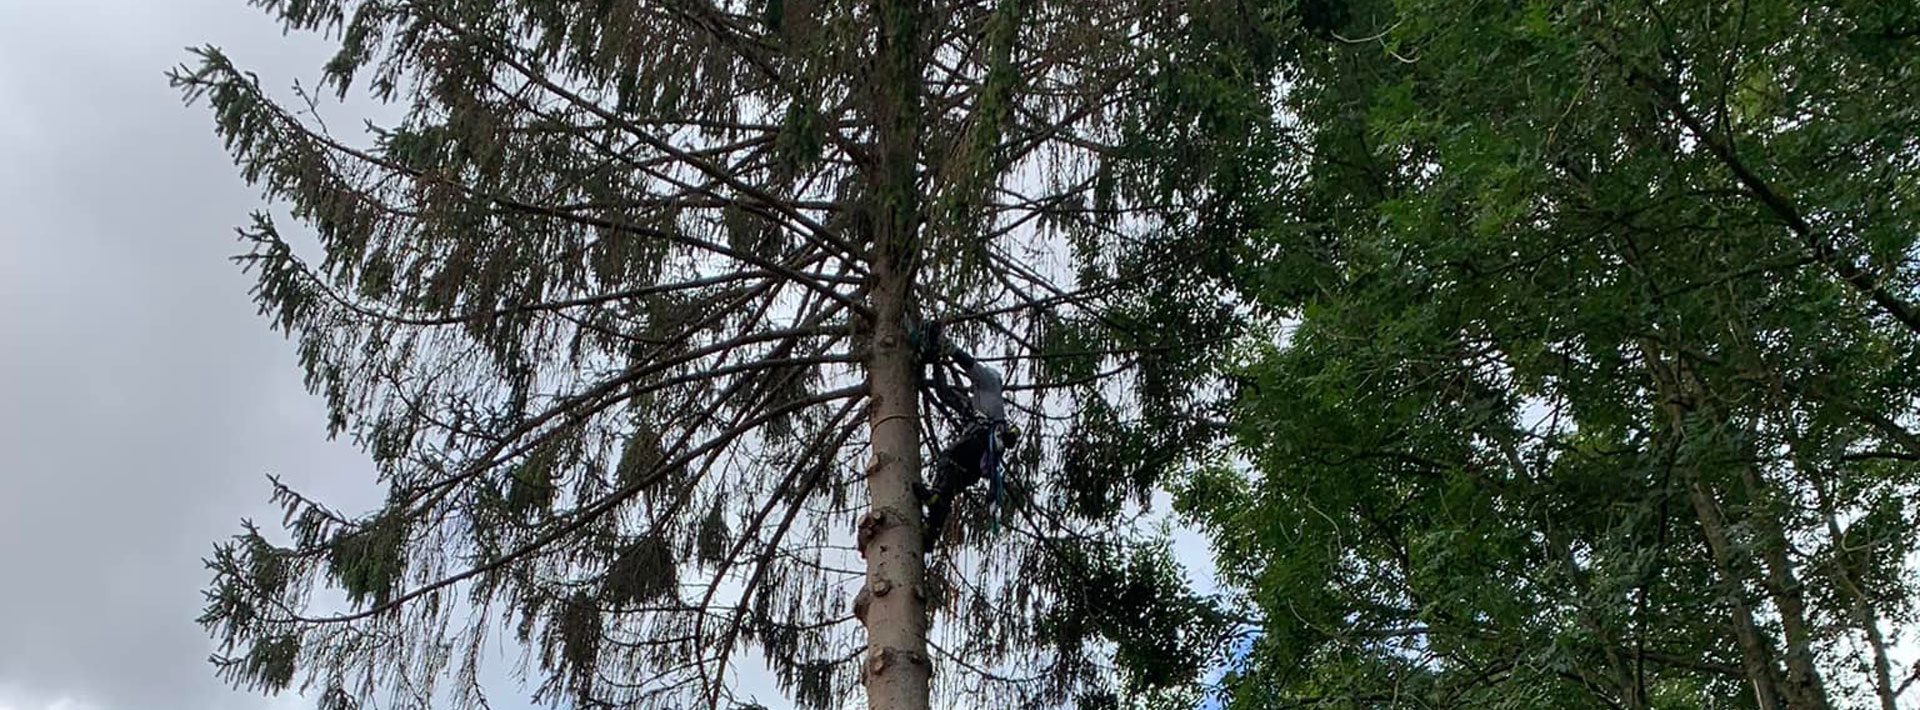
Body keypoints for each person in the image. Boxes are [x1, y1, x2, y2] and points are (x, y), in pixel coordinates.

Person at [912, 324, 1014, 552]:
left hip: (982, 441)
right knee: (947, 488)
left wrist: (946, 346)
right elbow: (944, 394)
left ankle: (935, 501)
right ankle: (931, 534)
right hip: (976, 464)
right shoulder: (972, 407)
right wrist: (935, 361)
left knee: (948, 457)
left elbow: (970, 365)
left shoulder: (991, 384)